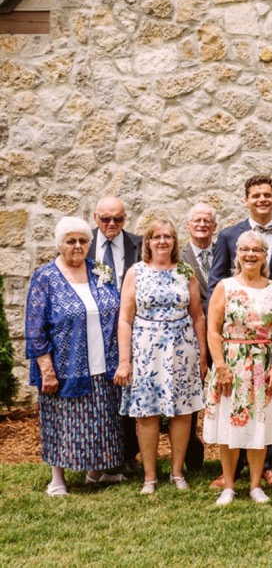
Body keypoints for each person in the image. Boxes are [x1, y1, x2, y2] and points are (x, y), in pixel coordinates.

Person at [207, 175, 272, 488]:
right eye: (256, 195)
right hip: (235, 332)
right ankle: (230, 472)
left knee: (266, 400)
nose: (262, 199)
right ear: (246, 200)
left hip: (271, 333)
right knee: (232, 403)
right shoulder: (227, 235)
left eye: (267, 195)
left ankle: (268, 467)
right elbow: (216, 280)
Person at [25, 216, 126, 496]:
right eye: (71, 241)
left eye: (83, 240)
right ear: (60, 244)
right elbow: (35, 328)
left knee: (102, 418)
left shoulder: (98, 270)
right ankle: (58, 479)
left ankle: (96, 472)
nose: (78, 246)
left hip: (102, 361)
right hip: (64, 365)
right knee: (62, 421)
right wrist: (47, 369)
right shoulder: (45, 277)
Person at [115, 219, 207, 494]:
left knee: (182, 411)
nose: (163, 241)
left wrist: (202, 357)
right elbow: (124, 320)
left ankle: (177, 473)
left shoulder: (184, 271)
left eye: (168, 236)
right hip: (146, 349)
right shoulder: (136, 272)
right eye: (157, 237)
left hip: (183, 349)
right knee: (147, 411)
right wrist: (124, 360)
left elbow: (198, 315)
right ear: (148, 242)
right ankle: (150, 476)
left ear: (175, 242)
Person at [203, 231, 272, 506]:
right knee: (229, 425)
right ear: (237, 254)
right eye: (245, 250)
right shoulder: (225, 287)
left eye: (256, 250)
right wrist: (220, 366)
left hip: (261, 366)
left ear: (265, 255)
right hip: (232, 362)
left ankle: (255, 485)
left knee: (259, 426)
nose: (250, 255)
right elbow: (213, 330)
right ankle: (229, 486)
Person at [86, 196, 142, 473]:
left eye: (118, 219)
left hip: (131, 325)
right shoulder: (83, 243)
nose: (111, 224)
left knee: (129, 388)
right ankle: (99, 453)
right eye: (105, 219)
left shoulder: (138, 244)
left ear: (125, 218)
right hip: (94, 327)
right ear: (95, 218)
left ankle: (129, 454)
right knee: (100, 391)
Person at [178, 202, 217, 471]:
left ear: (214, 227)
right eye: (197, 221)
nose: (202, 225)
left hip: (225, 334)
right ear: (188, 225)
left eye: (207, 221)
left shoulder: (226, 253)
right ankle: (191, 452)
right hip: (189, 335)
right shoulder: (176, 257)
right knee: (190, 394)